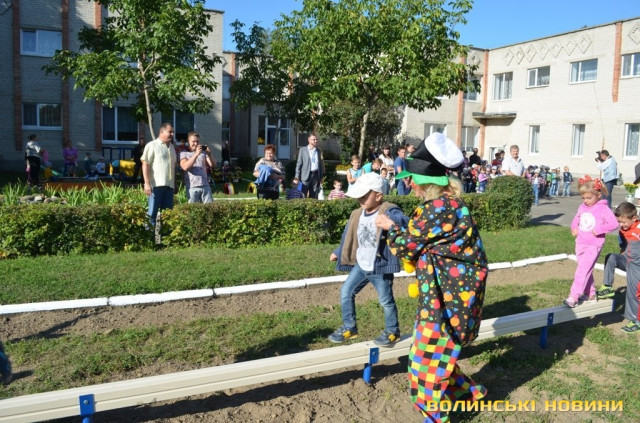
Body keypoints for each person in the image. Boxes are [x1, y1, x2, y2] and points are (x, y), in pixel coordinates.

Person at [375, 132, 488, 422]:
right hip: (452, 294)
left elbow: (407, 246)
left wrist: (389, 226)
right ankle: (469, 393)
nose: (409, 184)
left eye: (412, 179)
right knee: (438, 352)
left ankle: (435, 416)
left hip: (445, 298)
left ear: (427, 182)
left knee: (424, 361)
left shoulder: (437, 208)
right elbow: (424, 241)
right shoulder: (453, 204)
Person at [329, 172, 408, 346]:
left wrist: (393, 223)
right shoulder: (358, 214)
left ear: (378, 196)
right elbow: (348, 236)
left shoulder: (388, 210)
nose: (360, 200)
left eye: (364, 196)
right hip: (361, 264)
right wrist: (338, 251)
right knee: (346, 292)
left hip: (380, 266)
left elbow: (403, 222)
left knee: (385, 300)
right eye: (358, 196)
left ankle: (392, 331)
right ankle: (350, 327)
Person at [564, 176, 618, 308]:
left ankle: (574, 296)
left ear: (598, 195)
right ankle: (591, 294)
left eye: (589, 198)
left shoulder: (603, 209)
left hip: (594, 245)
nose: (585, 201)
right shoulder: (582, 207)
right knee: (585, 269)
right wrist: (574, 228)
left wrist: (599, 230)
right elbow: (577, 218)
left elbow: (614, 224)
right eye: (583, 198)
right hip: (580, 243)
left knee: (582, 271)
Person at [595, 202, 640, 333]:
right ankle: (607, 287)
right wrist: (623, 250)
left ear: (634, 218)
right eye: (618, 221)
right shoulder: (623, 230)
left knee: (633, 293)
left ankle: (636, 321)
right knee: (611, 257)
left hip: (637, 267)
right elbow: (622, 242)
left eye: (623, 222)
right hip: (627, 261)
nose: (620, 225)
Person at [142, 123, 177, 227]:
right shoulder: (152, 145)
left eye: (173, 132)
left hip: (169, 186)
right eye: (170, 132)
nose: (172, 134)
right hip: (156, 186)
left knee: (167, 215)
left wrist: (175, 184)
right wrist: (147, 183)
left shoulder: (172, 147)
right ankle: (149, 236)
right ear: (161, 132)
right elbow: (145, 164)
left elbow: (173, 167)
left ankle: (165, 236)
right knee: (152, 214)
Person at [180, 132, 215, 204]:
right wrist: (196, 154)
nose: (196, 144)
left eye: (197, 141)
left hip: (205, 186)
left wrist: (209, 154)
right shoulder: (183, 153)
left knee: (209, 208)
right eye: (193, 141)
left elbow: (213, 165)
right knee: (193, 209)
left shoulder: (203, 153)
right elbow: (185, 167)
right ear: (188, 141)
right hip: (192, 187)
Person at [295, 133, 325, 199]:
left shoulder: (318, 151)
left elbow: (320, 164)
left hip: (316, 176)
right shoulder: (303, 150)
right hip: (305, 176)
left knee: (314, 196)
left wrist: (321, 176)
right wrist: (297, 176)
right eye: (314, 139)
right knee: (303, 195)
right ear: (309, 140)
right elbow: (299, 164)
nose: (315, 141)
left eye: (316, 139)